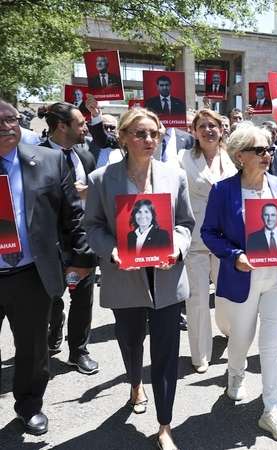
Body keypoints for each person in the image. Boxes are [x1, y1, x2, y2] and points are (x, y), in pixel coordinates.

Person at [83, 107, 193, 450]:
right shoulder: (102, 178)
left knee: (165, 353)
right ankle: (134, 382)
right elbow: (93, 226)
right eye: (140, 134)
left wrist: (176, 248)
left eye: (154, 134)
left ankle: (164, 425)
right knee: (131, 342)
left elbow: (185, 225)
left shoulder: (174, 176)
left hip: (167, 278)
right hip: (125, 277)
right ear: (124, 138)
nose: (149, 140)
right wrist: (112, 251)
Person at [201, 124, 277, 441]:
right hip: (242, 277)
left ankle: (272, 409)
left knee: (273, 346)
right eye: (259, 150)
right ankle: (235, 374)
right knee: (241, 340)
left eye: (269, 149)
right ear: (240, 155)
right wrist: (233, 255)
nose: (267, 155)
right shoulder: (223, 190)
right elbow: (209, 233)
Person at [0, 99, 91, 436]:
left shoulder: (50, 161)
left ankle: (28, 405)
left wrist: (82, 260)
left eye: (11, 118)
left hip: (29, 274)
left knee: (34, 349)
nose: (7, 125)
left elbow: (72, 217)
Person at [38, 102, 100, 374]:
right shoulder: (34, 156)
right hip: (48, 243)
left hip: (82, 239)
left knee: (83, 297)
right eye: (80, 123)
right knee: (50, 297)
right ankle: (54, 327)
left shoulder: (85, 156)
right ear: (62, 126)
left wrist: (88, 194)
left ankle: (79, 351)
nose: (85, 127)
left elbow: (96, 196)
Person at [178, 109, 237, 373]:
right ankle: (200, 355)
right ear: (194, 131)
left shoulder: (232, 159)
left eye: (213, 125)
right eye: (202, 126)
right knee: (198, 300)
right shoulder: (182, 159)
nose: (208, 130)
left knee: (225, 297)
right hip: (196, 238)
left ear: (222, 129)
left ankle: (228, 331)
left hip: (225, 239)